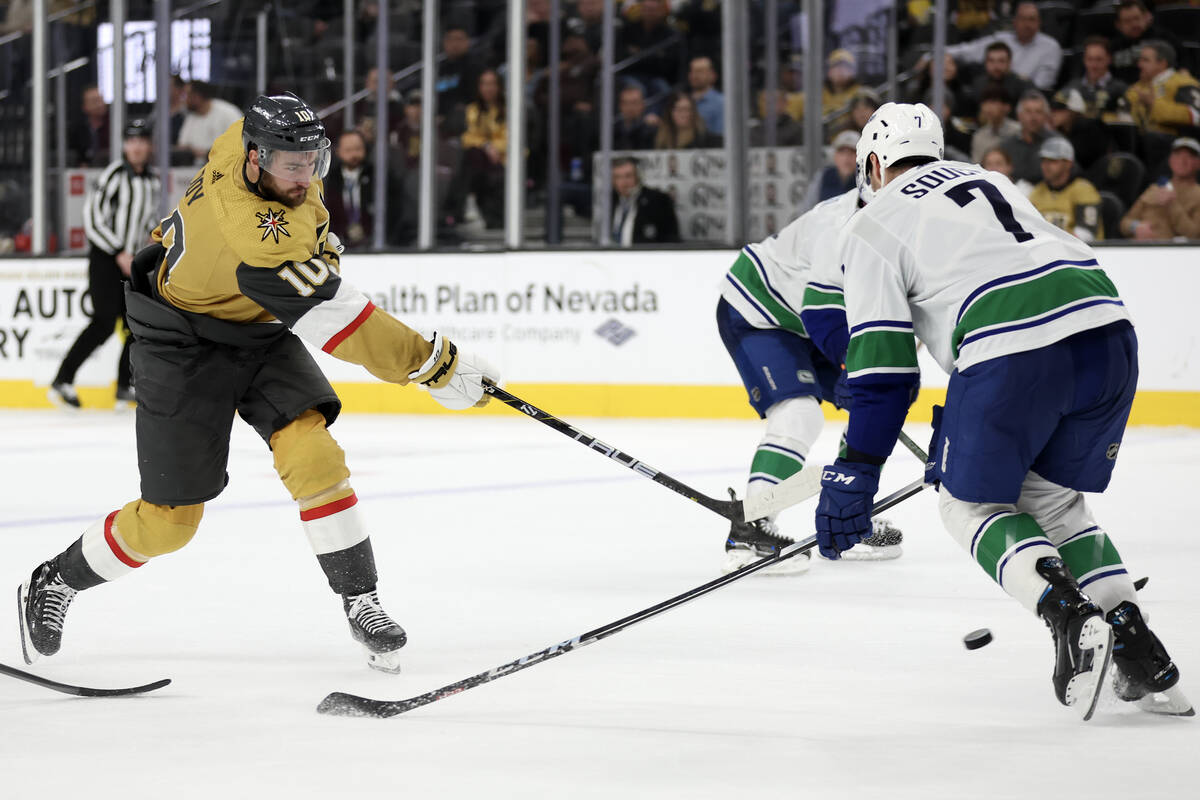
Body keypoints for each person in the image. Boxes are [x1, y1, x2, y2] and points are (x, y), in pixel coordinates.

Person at [18, 93, 499, 675]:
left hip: (256, 329)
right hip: (180, 343)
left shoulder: (244, 138)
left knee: (314, 452)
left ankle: (360, 599)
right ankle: (55, 580)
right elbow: (341, 322)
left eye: (312, 160)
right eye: (290, 165)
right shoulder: (258, 239)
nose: (306, 176)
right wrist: (432, 365)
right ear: (253, 159)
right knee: (169, 524)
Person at [813, 100, 1188, 718]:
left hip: (1011, 348)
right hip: (1108, 332)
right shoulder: (991, 178)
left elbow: (884, 374)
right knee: (1054, 502)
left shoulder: (871, 222)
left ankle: (1066, 616)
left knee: (969, 505)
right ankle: (1138, 647)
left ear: (874, 162)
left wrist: (855, 470)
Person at [715, 186, 904, 576]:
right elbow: (824, 312)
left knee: (872, 405)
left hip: (811, 320)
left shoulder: (910, 225)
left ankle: (849, 519)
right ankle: (753, 528)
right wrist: (856, 366)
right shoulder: (838, 227)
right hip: (760, 310)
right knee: (799, 415)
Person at [50, 120, 159, 409]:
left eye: (141, 140)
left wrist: (147, 246)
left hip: (131, 262)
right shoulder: (114, 175)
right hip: (106, 258)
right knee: (104, 322)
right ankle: (63, 379)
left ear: (149, 145)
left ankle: (125, 385)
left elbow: (147, 223)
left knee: (137, 326)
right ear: (124, 145)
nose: (136, 146)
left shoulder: (152, 181)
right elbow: (92, 217)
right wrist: (118, 251)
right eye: (131, 140)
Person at [941, 2, 1062, 91]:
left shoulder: (1051, 47)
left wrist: (1015, 80)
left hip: (1028, 100)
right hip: (993, 95)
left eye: (1032, 19)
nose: (1027, 24)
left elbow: (1042, 86)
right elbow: (968, 51)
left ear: (1039, 23)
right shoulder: (1002, 39)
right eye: (1022, 19)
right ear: (1014, 22)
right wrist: (935, 53)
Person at [1120, 137, 1200, 240]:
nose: (1182, 160)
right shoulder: (1154, 189)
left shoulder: (1198, 195)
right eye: (1177, 154)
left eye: (1189, 156)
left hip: (1172, 252)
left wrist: (1172, 204)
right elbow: (1124, 223)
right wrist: (1136, 227)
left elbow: (1195, 235)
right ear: (1170, 160)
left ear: (1198, 163)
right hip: (1139, 248)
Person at [1028, 137, 1104, 241]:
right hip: (1045, 250)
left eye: (1052, 161)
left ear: (1068, 164)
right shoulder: (1036, 191)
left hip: (1080, 251)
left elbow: (1087, 232)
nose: (1046, 166)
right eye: (1043, 161)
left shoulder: (1084, 190)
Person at [460, 69, 508, 229]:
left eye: (492, 84)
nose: (488, 88)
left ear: (499, 87)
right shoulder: (472, 110)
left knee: (476, 158)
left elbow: (511, 138)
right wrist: (487, 146)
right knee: (474, 154)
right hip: (481, 160)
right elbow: (467, 137)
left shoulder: (509, 109)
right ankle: (471, 202)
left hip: (503, 159)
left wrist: (493, 147)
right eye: (484, 84)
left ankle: (471, 201)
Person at [609, 156, 679, 245]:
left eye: (628, 176)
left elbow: (671, 239)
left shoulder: (658, 200)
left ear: (638, 177)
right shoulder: (609, 202)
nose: (623, 182)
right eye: (618, 177)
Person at [176, 81, 244, 164]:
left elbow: (240, 145)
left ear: (197, 96)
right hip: (195, 169)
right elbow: (182, 146)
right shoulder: (191, 117)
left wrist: (206, 153)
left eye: (186, 95)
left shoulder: (228, 113)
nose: (183, 100)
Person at [1001, 89, 1054, 184]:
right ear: (1019, 116)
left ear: (1046, 116)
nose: (1033, 117)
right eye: (1028, 111)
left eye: (1038, 112)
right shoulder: (1006, 146)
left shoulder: (1057, 143)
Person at [654, 91, 721, 150]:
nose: (683, 114)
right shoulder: (658, 139)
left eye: (687, 110)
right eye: (678, 110)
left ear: (694, 113)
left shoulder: (706, 140)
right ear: (669, 113)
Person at [971, 87, 1020, 163]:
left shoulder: (1018, 131)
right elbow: (977, 165)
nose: (988, 107)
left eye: (993, 102)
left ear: (1007, 107)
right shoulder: (979, 136)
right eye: (985, 103)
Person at [613, 83, 659, 150]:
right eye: (625, 103)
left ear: (642, 104)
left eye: (634, 102)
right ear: (620, 105)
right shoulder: (612, 130)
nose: (630, 107)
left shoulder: (651, 128)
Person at [687, 56, 724, 136]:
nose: (694, 75)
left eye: (699, 71)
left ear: (712, 75)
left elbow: (721, 137)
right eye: (692, 71)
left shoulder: (722, 103)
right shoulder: (683, 101)